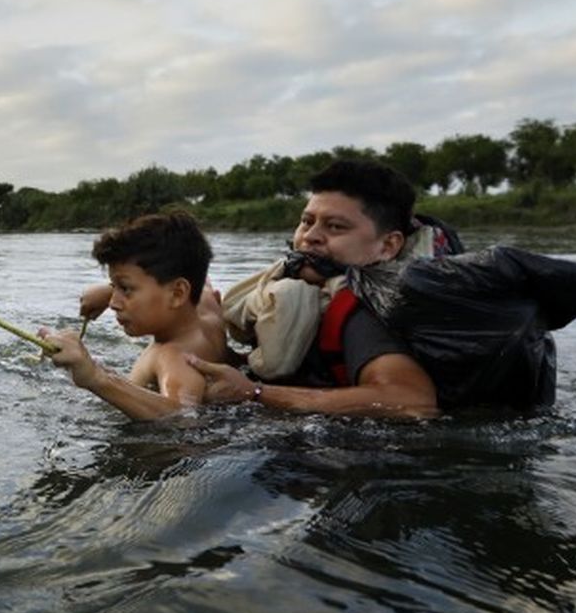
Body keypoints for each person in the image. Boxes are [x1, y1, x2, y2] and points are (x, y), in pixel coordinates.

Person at [188, 159, 440, 419]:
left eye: (335, 227)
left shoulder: (365, 312)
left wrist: (256, 394)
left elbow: (413, 400)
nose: (310, 237)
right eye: (307, 222)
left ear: (388, 246)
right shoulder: (312, 294)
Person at [38, 210, 228, 420]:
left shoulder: (174, 357)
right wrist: (111, 288)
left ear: (178, 293)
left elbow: (182, 415)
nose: (113, 303)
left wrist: (95, 376)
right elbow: (201, 279)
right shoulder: (210, 312)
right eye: (114, 287)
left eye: (125, 289)